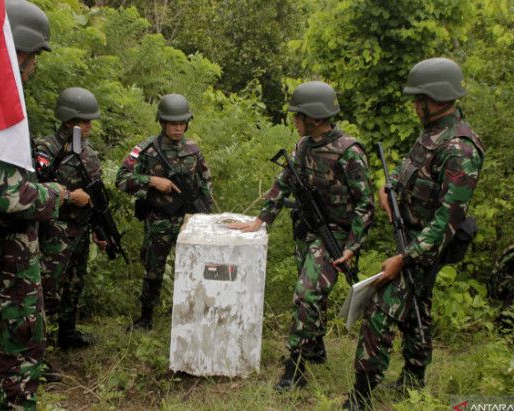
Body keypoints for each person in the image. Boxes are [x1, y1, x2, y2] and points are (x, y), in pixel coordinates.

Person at [0, 1, 90, 409]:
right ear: (18, 48)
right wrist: (59, 194)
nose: (35, 66)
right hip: (8, 249)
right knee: (22, 347)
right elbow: (14, 197)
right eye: (34, 55)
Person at [343, 57, 485, 410]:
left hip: (425, 247)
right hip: (411, 238)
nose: (414, 105)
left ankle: (361, 397)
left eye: (418, 98)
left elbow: (447, 220)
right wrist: (388, 188)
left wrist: (403, 259)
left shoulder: (460, 148)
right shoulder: (433, 134)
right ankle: (413, 381)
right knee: (417, 308)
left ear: (434, 98)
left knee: (381, 309)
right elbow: (411, 173)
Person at [229, 81, 375, 392]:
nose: (294, 122)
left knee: (307, 293)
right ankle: (315, 346)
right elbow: (282, 185)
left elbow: (365, 204)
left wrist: (352, 246)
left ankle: (295, 366)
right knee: (312, 295)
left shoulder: (349, 152)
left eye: (298, 116)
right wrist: (261, 220)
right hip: (306, 230)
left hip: (335, 234)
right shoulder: (302, 146)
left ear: (315, 117)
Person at [116, 93, 213, 330]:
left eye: (182, 123)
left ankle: (188, 315)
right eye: (173, 123)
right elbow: (121, 180)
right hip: (159, 220)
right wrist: (151, 181)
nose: (178, 128)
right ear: (162, 122)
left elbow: (205, 181)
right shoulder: (146, 150)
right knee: (153, 271)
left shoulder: (192, 150)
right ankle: (146, 318)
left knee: (192, 269)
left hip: (189, 221)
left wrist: (204, 212)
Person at [36, 87, 103, 350]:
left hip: (81, 227)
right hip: (55, 229)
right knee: (48, 288)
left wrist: (98, 228)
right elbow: (35, 189)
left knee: (75, 283)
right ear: (68, 120)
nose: (89, 127)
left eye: (89, 122)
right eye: (84, 121)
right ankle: (40, 345)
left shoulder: (88, 152)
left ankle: (67, 333)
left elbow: (96, 192)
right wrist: (68, 196)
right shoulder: (46, 148)